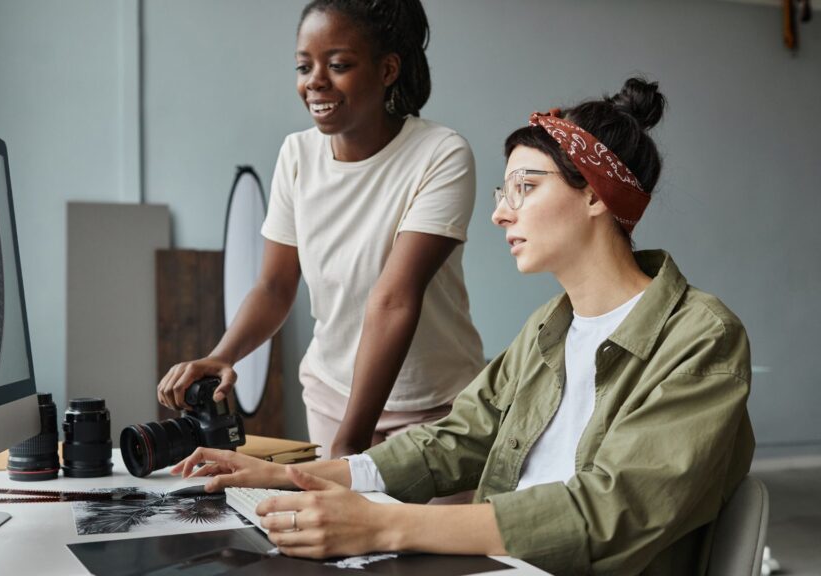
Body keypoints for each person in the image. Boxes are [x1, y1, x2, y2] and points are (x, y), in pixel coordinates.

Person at [170, 78, 755, 575]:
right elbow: (456, 440)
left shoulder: (701, 338)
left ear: (596, 196)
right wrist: (293, 477)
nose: (502, 211)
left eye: (527, 187)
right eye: (506, 192)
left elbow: (611, 513)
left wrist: (388, 524)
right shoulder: (549, 329)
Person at [157, 0, 484, 461]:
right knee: (343, 535)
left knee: (427, 536)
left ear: (388, 68)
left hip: (436, 407)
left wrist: (349, 446)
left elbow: (393, 298)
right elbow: (274, 286)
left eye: (338, 65)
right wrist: (223, 354)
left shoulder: (441, 154)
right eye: (303, 66)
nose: (315, 81)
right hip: (332, 395)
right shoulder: (296, 155)